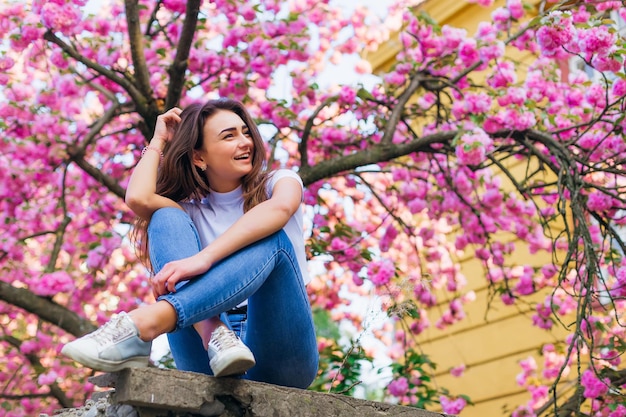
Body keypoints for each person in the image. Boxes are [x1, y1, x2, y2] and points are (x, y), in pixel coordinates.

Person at [61, 98, 319, 388]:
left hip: (281, 352)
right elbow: (138, 198)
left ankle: (147, 323)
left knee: (274, 237)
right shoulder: (190, 211)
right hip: (206, 352)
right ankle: (215, 332)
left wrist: (204, 258)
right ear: (199, 157)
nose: (245, 142)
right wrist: (158, 140)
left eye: (245, 132)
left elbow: (279, 210)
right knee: (164, 216)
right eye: (229, 136)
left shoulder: (279, 183)